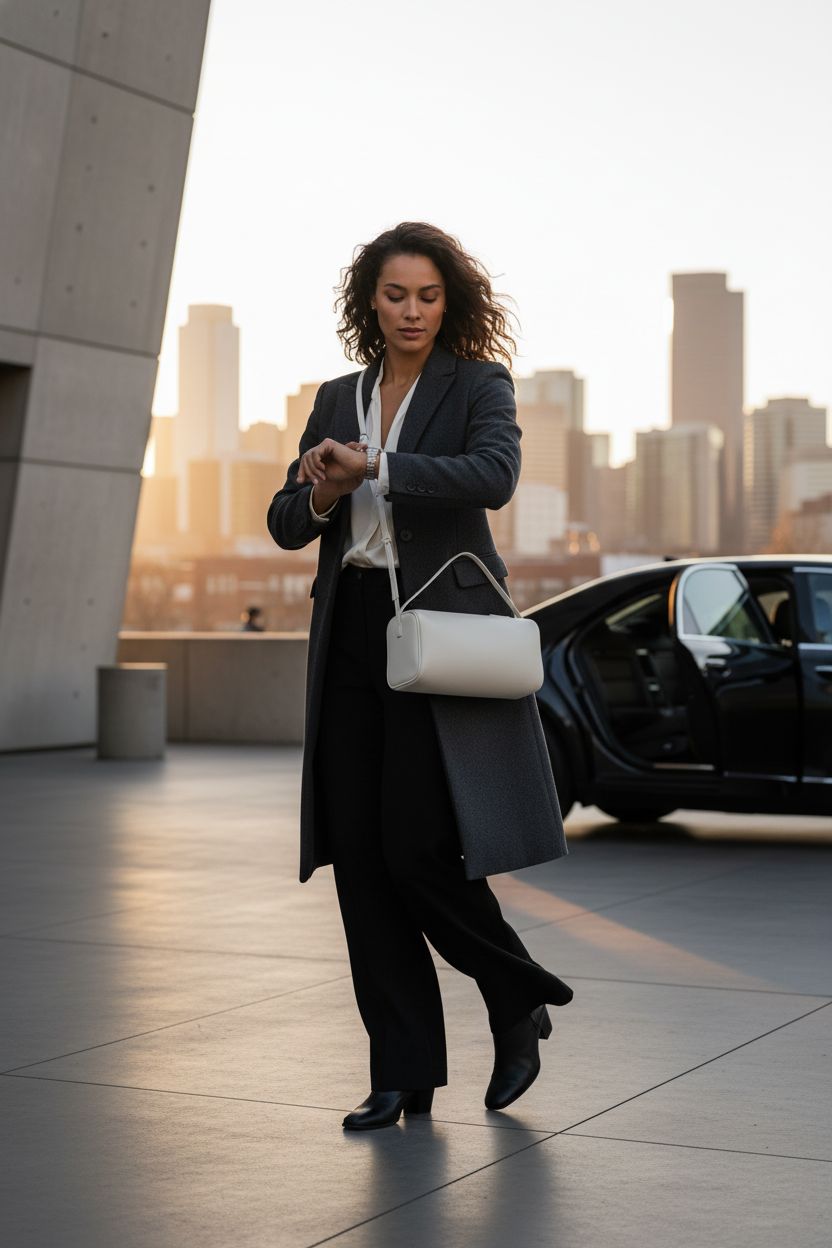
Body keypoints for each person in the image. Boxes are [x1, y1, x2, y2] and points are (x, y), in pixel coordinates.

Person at [266, 222, 573, 1132]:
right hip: (353, 634)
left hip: (438, 630)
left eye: (428, 296)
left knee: (419, 850)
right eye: (396, 295)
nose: (412, 311)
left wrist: (381, 468)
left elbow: (494, 475)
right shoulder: (336, 396)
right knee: (360, 862)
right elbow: (288, 521)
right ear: (371, 300)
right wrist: (324, 487)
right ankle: (402, 1073)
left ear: (451, 302)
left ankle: (516, 995)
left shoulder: (478, 383)